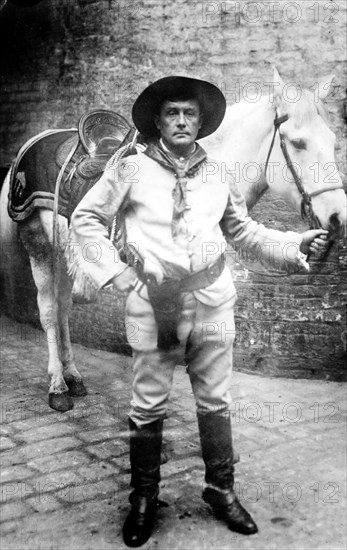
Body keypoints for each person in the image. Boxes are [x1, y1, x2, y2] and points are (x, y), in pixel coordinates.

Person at [66, 76, 328, 547]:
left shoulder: (219, 172)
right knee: (147, 403)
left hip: (212, 300)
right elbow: (86, 219)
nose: (182, 121)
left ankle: (221, 491)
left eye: (189, 113)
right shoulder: (129, 169)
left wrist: (294, 244)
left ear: (201, 122)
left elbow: (243, 231)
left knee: (216, 400)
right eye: (172, 113)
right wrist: (113, 273)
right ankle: (144, 499)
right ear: (159, 121)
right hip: (153, 305)